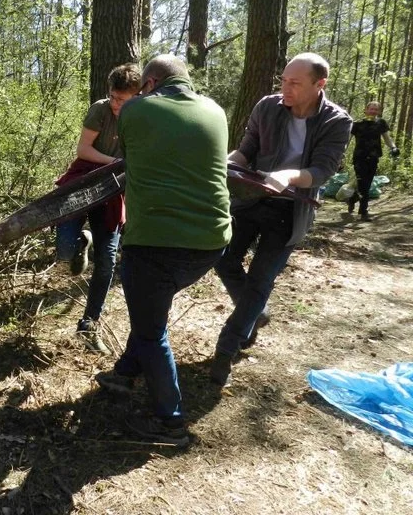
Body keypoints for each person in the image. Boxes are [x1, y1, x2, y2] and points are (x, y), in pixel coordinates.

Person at [94, 54, 231, 446]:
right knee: (149, 309)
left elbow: (131, 159)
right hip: (211, 243)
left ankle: (171, 424)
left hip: (156, 244)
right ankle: (124, 372)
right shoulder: (215, 111)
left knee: (152, 331)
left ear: (149, 83)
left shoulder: (135, 110)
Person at [210, 53, 352, 387]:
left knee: (261, 280)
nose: (285, 89)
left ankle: (226, 349)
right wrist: (220, 165)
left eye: (294, 83)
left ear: (320, 85)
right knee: (222, 256)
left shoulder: (337, 121)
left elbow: (323, 170)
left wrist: (286, 176)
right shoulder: (267, 106)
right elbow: (246, 150)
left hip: (292, 208)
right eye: (283, 80)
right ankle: (254, 314)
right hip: (252, 197)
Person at [54, 64, 141, 354]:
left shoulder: (142, 117)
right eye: (114, 97)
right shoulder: (99, 110)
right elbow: (84, 150)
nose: (116, 104)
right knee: (64, 252)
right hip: (84, 179)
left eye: (123, 100)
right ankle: (81, 241)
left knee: (107, 261)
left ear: (136, 96)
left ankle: (89, 323)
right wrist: (114, 163)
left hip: (115, 190)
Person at [346, 101, 399, 221]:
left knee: (367, 184)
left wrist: (393, 147)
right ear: (366, 110)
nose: (373, 111)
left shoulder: (381, 123)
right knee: (362, 183)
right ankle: (363, 211)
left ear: (379, 112)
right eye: (371, 109)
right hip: (359, 157)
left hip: (374, 157)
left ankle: (353, 199)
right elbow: (347, 140)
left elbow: (387, 138)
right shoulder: (357, 124)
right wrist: (341, 153)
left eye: (376, 109)